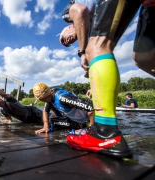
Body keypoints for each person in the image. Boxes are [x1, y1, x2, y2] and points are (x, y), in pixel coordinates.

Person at [63, 0, 155, 158]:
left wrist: (83, 52)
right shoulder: (91, 24)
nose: (67, 43)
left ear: (68, 27)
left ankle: (105, 132)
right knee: (144, 59)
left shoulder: (69, 11)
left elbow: (80, 11)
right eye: (67, 44)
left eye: (64, 40)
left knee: (96, 47)